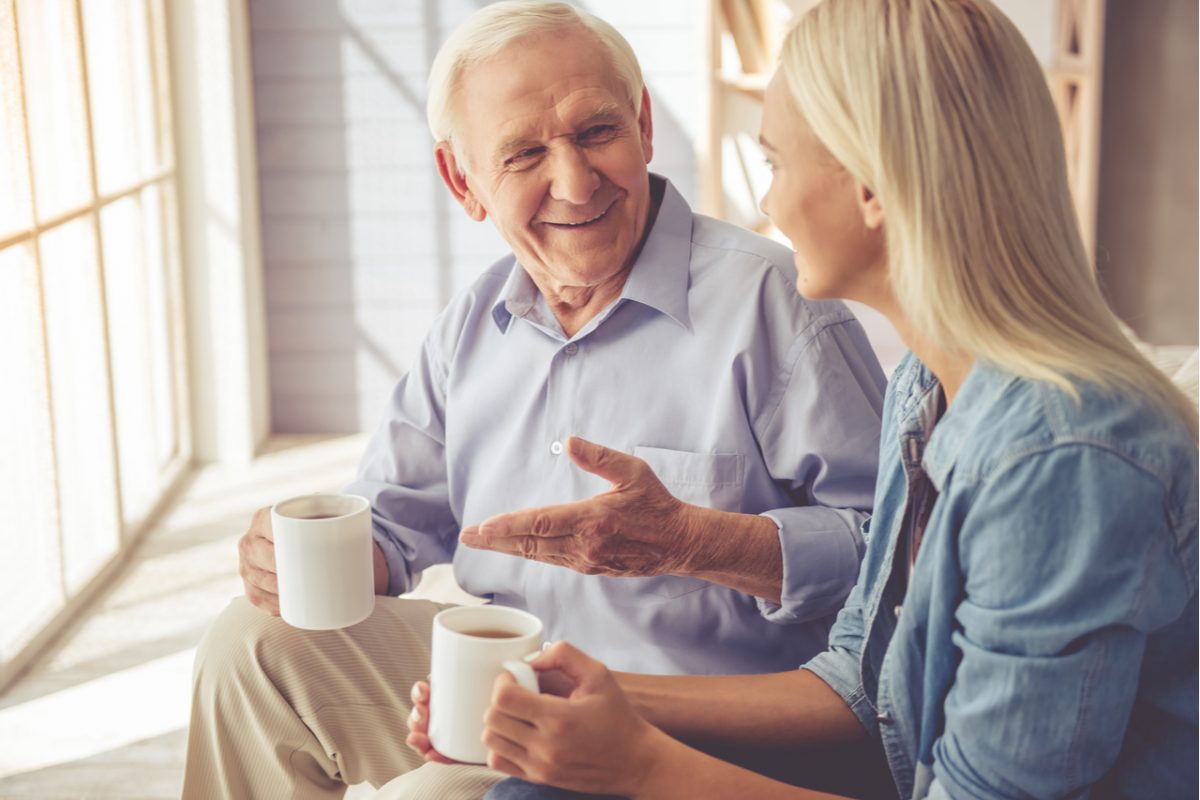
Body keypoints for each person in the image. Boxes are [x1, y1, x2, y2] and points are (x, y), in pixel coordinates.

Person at [404, 0, 1200, 798]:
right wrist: (568, 696)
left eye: (776, 164)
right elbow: (864, 683)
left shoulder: (1061, 462)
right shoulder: (929, 390)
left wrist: (641, 763)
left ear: (870, 187)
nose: (764, 206)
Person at [180, 2, 888, 799]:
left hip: (693, 722)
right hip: (497, 678)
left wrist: (696, 542)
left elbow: (897, 560)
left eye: (596, 133)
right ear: (464, 180)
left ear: (644, 124)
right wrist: (297, 558)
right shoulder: (471, 326)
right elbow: (391, 521)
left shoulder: (781, 304)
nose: (575, 181)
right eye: (523, 154)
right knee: (255, 644)